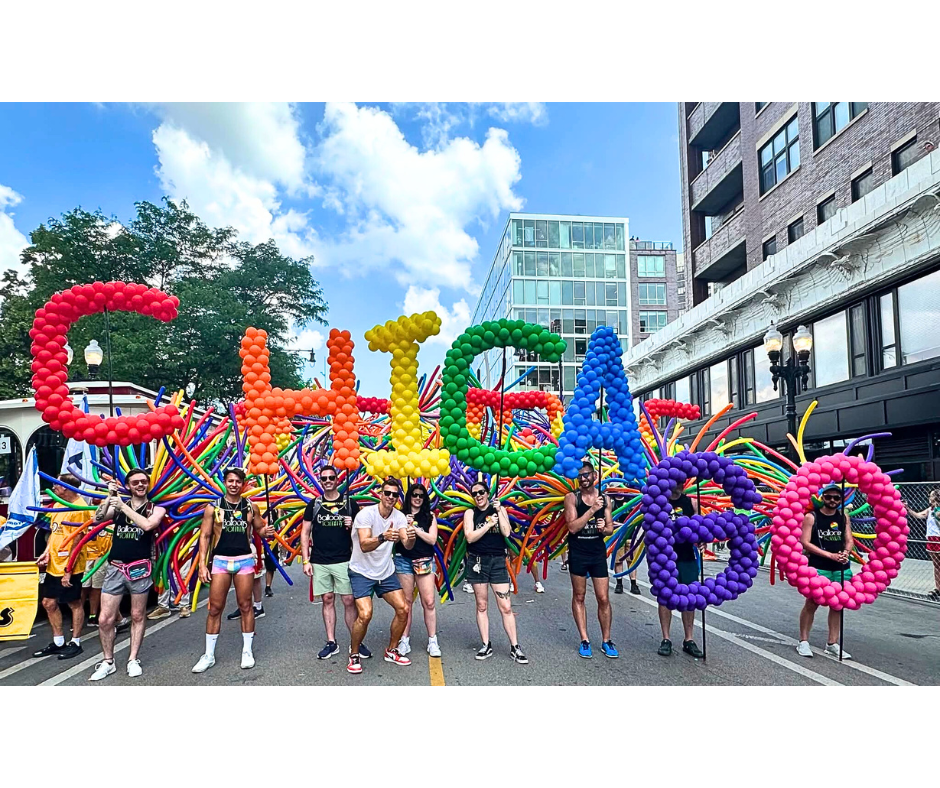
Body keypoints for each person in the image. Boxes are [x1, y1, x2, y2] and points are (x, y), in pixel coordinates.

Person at [192, 468, 273, 673]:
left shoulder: (250, 506)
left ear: (243, 484)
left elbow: (259, 529)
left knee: (245, 605)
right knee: (215, 608)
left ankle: (247, 651)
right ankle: (208, 655)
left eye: (238, 481)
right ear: (225, 482)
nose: (234, 484)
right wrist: (202, 564)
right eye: (230, 481)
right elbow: (205, 536)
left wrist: (267, 531)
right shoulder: (213, 508)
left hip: (244, 561)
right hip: (220, 561)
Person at [89, 468, 166, 681]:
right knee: (105, 619)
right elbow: (97, 518)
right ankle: (108, 661)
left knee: (138, 615)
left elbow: (148, 525)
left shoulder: (155, 509)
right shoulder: (118, 506)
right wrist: (109, 497)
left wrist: (122, 505)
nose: (140, 485)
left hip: (140, 569)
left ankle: (133, 659)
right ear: (128, 486)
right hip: (115, 568)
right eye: (135, 482)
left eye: (143, 481)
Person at [346, 478, 414, 674]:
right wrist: (384, 536)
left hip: (385, 571)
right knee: (365, 614)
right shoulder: (366, 515)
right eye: (387, 493)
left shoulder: (399, 517)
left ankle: (391, 650)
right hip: (362, 571)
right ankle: (354, 653)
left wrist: (410, 537)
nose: (391, 497)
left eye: (395, 494)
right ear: (381, 494)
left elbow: (406, 544)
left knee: (403, 609)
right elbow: (364, 545)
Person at [301, 466, 370, 660]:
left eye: (331, 477)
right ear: (320, 481)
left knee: (348, 600)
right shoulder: (314, 504)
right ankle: (331, 642)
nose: (328, 481)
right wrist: (306, 560)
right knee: (327, 599)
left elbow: (363, 533)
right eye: (324, 478)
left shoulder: (350, 504)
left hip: (345, 559)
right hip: (320, 560)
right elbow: (305, 533)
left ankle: (356, 642)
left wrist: (352, 525)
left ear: (337, 479)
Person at [464, 482, 528, 664]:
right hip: (477, 561)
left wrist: (499, 511)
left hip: (498, 561)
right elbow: (470, 537)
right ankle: (486, 644)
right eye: (474, 493)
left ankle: (515, 646)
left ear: (487, 493)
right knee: (481, 605)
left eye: (481, 492)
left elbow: (507, 533)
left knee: (506, 606)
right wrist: (488, 525)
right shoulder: (470, 513)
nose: (478, 496)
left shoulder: (499, 509)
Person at [33, 474, 92, 660]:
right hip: (54, 564)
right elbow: (54, 532)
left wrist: (68, 570)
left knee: (74, 603)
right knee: (48, 603)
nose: (53, 488)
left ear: (65, 487)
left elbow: (77, 541)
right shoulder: (58, 504)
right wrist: (47, 552)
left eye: (56, 485)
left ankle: (76, 642)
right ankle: (58, 642)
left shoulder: (79, 508)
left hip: (71, 565)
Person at [563, 462, 618, 659]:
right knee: (579, 596)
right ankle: (584, 639)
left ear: (594, 475)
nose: (583, 478)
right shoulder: (572, 498)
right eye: (580, 476)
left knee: (603, 598)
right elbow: (572, 527)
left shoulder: (605, 499)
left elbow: (610, 529)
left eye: (586, 474)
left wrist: (605, 528)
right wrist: (592, 510)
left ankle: (606, 640)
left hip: (597, 553)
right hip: (578, 552)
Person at [796, 483, 854, 659]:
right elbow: (805, 542)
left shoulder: (843, 517)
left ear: (841, 499)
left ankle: (832, 643)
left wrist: (846, 553)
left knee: (838, 604)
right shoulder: (811, 517)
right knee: (812, 603)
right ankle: (803, 641)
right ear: (822, 497)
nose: (832, 500)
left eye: (836, 497)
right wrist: (829, 555)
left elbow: (849, 540)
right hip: (819, 565)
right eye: (828, 497)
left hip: (840, 567)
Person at [393, 482, 441, 657]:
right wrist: (404, 527)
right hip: (403, 560)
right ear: (409, 497)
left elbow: (432, 539)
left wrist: (416, 529)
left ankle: (432, 640)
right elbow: (395, 540)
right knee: (406, 603)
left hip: (424, 560)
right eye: (414, 495)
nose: (417, 498)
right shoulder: (399, 515)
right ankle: (404, 639)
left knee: (429, 601)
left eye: (421, 495)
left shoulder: (430, 516)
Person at [657, 484, 704, 658]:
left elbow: (699, 528)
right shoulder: (660, 502)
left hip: (687, 557)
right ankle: (666, 639)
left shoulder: (691, 503)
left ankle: (689, 639)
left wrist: (701, 540)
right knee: (665, 597)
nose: (679, 482)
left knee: (690, 597)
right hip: (665, 557)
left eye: (682, 479)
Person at [81, 495, 112, 629]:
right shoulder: (84, 509)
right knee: (83, 587)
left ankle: (93, 615)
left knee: (96, 587)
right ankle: (78, 615)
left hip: (101, 556)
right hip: (85, 555)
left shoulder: (109, 509)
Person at [907, 490, 940, 600]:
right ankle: (938, 588)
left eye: (931, 496)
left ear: (935, 498)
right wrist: (908, 509)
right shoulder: (930, 510)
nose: (929, 497)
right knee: (936, 565)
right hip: (931, 538)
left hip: (938, 538)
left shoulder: (937, 510)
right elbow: (918, 515)